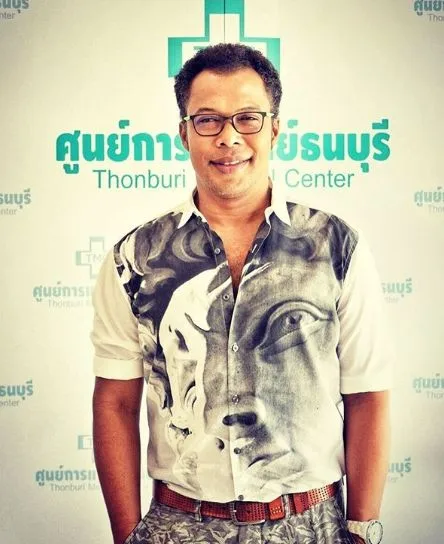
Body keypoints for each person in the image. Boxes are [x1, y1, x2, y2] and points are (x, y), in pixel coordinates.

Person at [91, 43, 392, 544]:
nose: (229, 137)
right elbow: (115, 403)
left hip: (312, 524)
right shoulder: (134, 258)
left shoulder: (336, 246)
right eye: (207, 120)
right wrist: (127, 536)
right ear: (184, 133)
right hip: (177, 525)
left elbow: (367, 395)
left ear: (274, 129)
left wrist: (361, 530)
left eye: (248, 118)